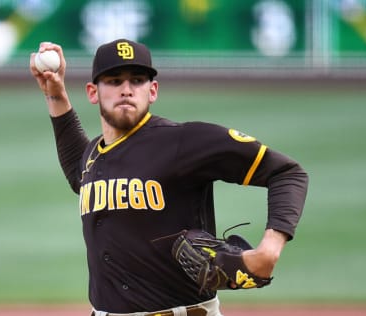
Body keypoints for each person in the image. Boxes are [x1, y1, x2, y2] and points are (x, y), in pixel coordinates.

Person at [30, 39, 308, 316]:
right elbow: (76, 170)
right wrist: (55, 94)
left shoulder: (183, 141)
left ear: (152, 91)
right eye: (114, 81)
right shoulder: (93, 156)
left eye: (137, 80)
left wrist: (268, 250)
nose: (126, 90)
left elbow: (286, 172)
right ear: (93, 92)